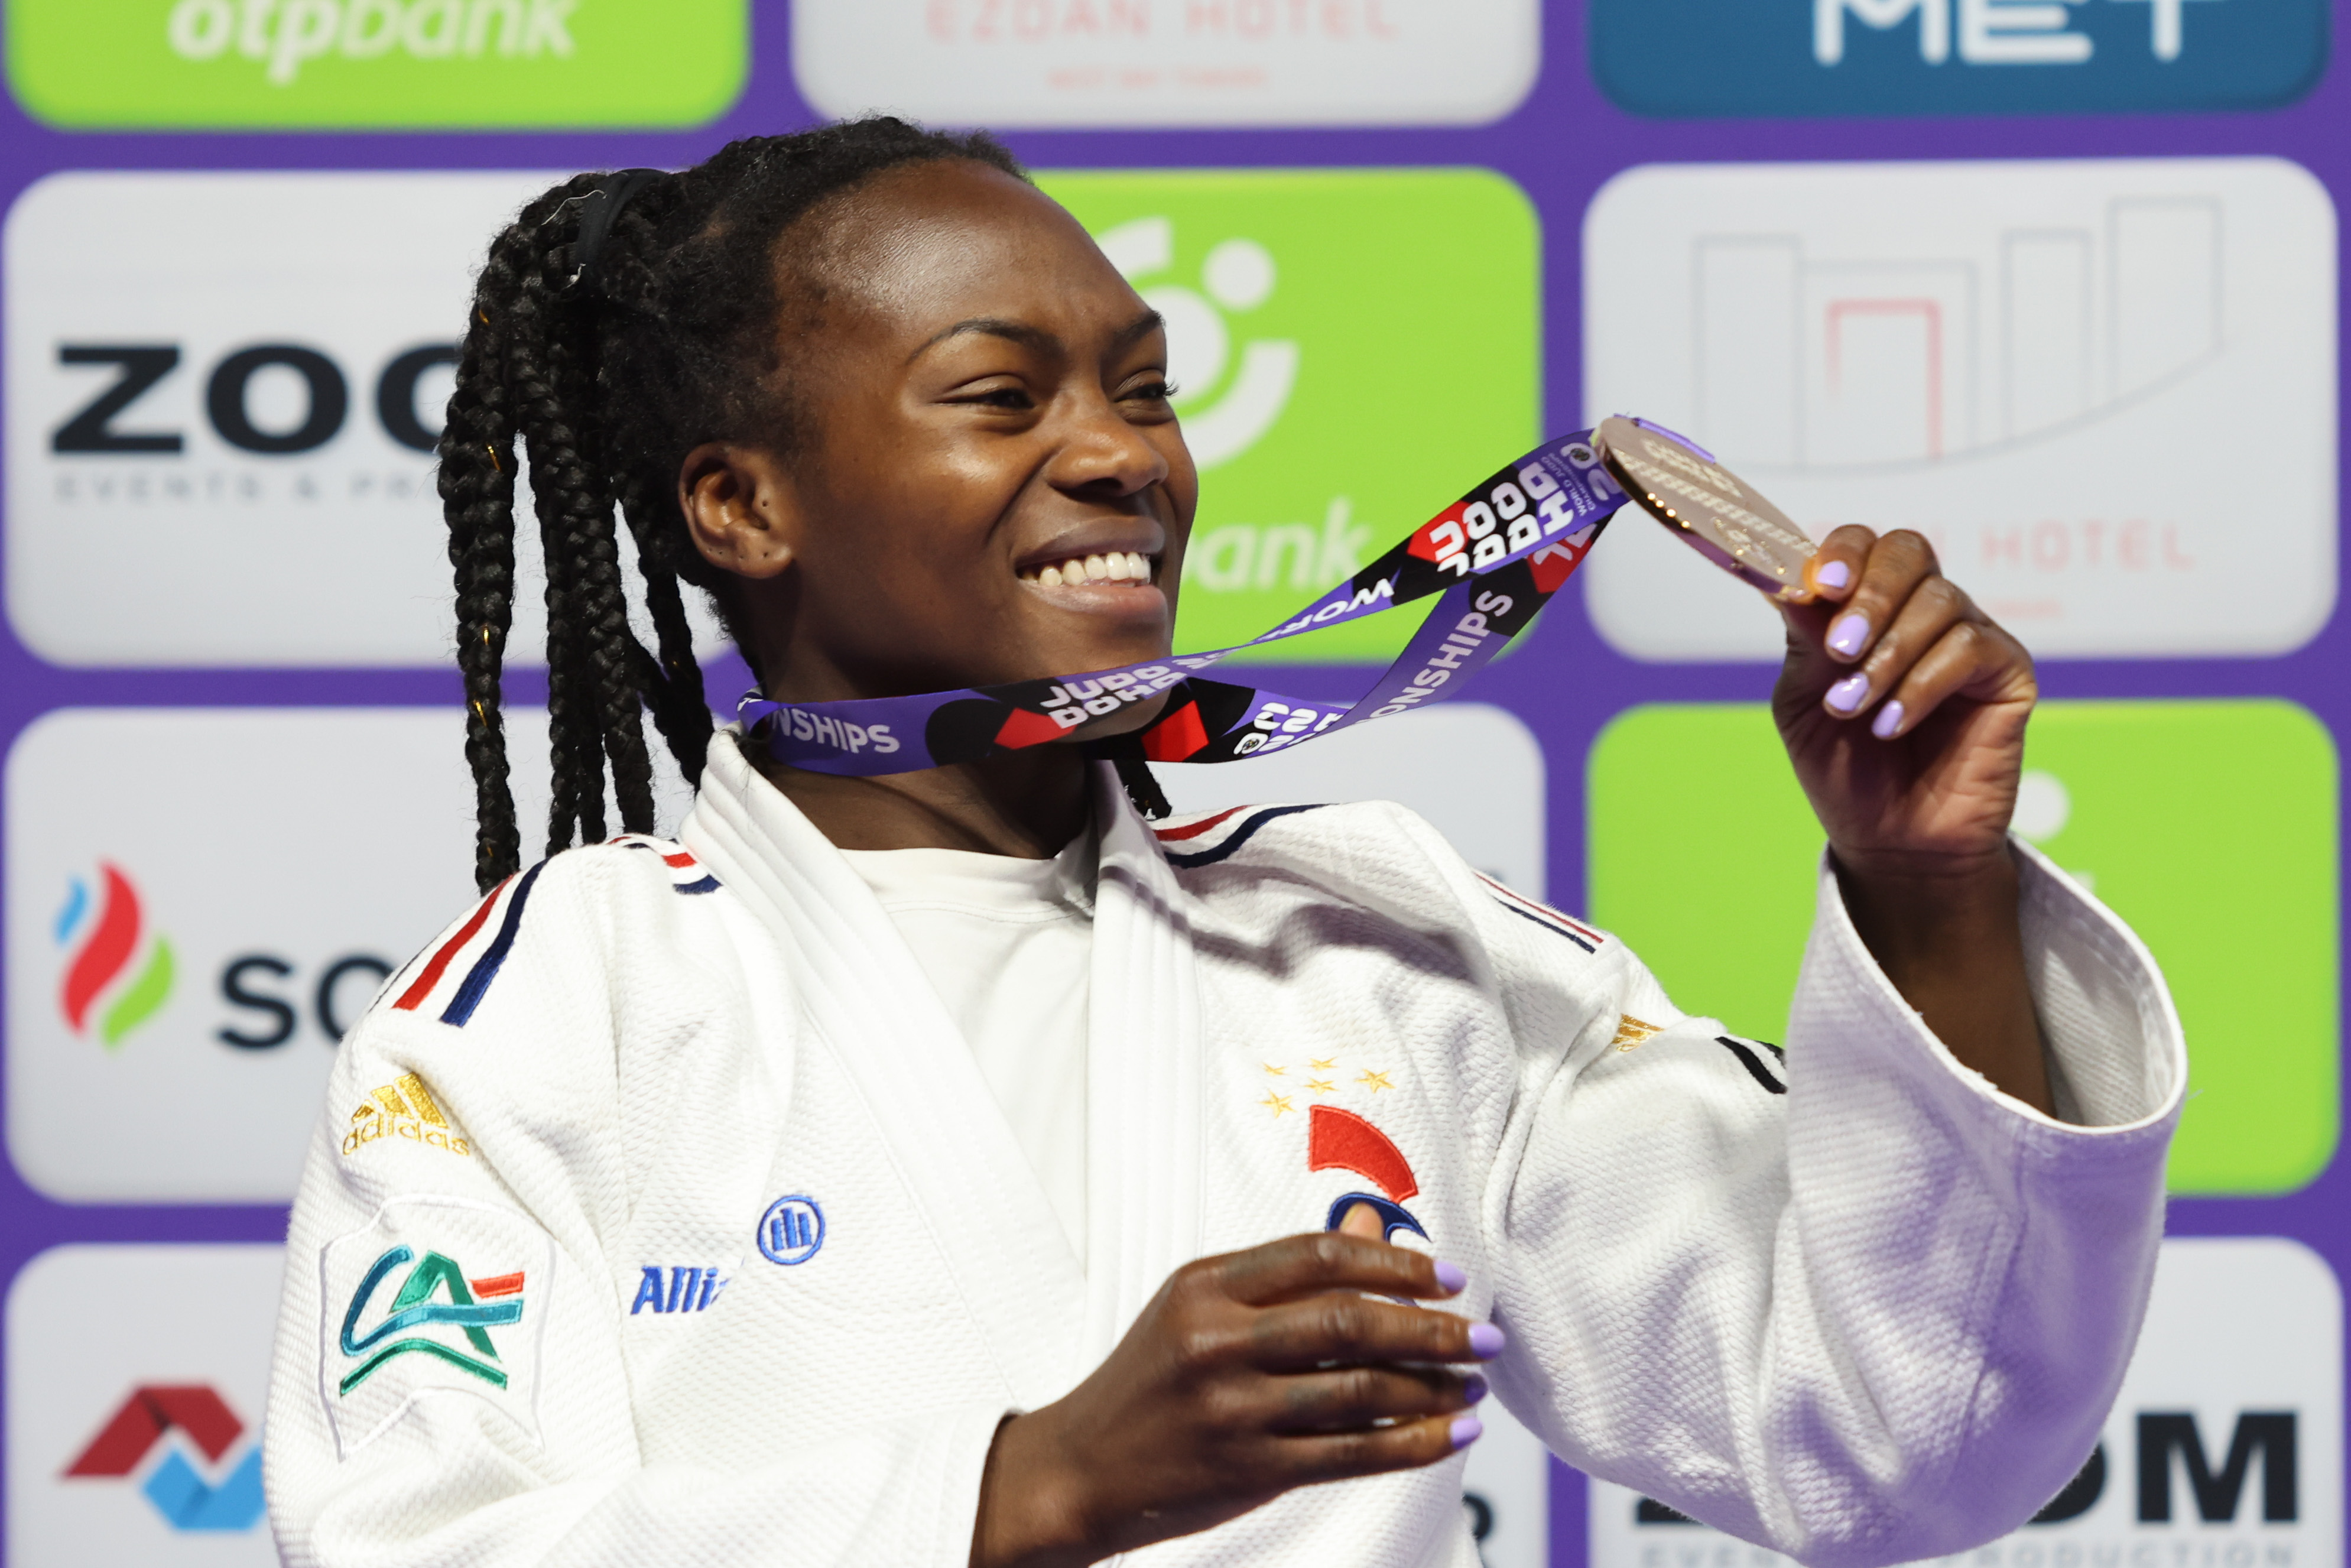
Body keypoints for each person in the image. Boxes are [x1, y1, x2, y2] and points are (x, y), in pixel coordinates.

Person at [265, 119, 2184, 1568]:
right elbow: (405, 1544)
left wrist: (1926, 890)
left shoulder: (1375, 941)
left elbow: (1896, 1436)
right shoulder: (557, 1010)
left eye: (1144, 389)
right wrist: (1032, 1486)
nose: (1124, 454)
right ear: (741, 507)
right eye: (1000, 397)